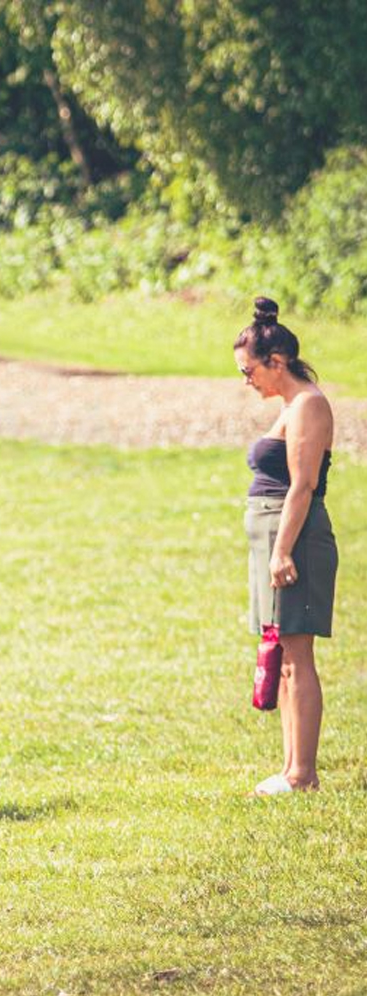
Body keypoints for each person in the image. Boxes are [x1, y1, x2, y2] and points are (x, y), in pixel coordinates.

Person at [235, 297, 338, 794]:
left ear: (276, 363)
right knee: (281, 653)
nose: (246, 379)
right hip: (275, 538)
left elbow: (303, 484)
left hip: (294, 539)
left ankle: (303, 774)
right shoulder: (289, 405)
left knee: (298, 654)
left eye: (249, 370)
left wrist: (281, 551)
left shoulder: (309, 405)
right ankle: (290, 767)